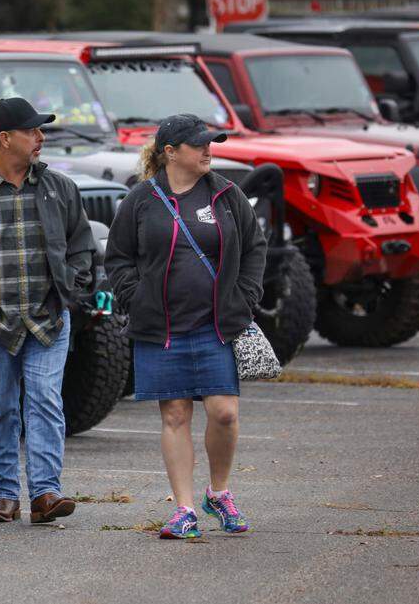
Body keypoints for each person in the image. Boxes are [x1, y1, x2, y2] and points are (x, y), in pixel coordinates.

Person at [103, 114, 266, 539]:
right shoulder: (141, 200)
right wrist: (135, 297)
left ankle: (219, 492)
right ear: (170, 152)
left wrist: (245, 297)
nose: (209, 150)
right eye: (200, 145)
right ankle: (185, 509)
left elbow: (255, 247)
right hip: (161, 329)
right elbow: (118, 257)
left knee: (224, 413)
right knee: (175, 415)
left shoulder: (226, 194)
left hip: (216, 325)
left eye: (211, 143)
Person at [0, 97, 96, 524]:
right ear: (4, 139)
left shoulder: (60, 188)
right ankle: (4, 495)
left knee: (44, 400)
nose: (40, 137)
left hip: (49, 319)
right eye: (32, 130)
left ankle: (45, 494)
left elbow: (81, 246)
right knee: (0, 407)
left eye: (41, 130)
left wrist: (70, 293)